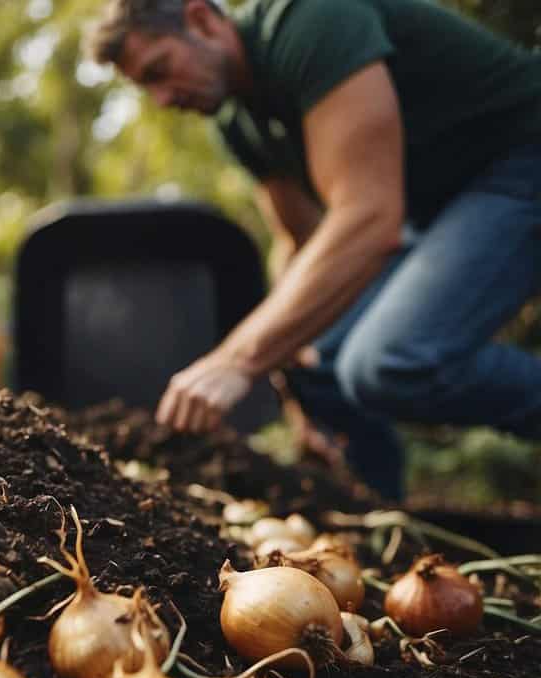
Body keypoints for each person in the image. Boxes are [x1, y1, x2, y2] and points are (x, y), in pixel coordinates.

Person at [86, 0, 541, 500]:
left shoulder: (311, 21)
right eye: (145, 88)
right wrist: (288, 377)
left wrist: (238, 359)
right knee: (313, 363)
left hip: (521, 158)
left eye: (160, 70)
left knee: (391, 360)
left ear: (201, 19)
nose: (162, 98)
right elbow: (300, 241)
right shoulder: (238, 122)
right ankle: (378, 517)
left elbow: (368, 217)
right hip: (439, 212)